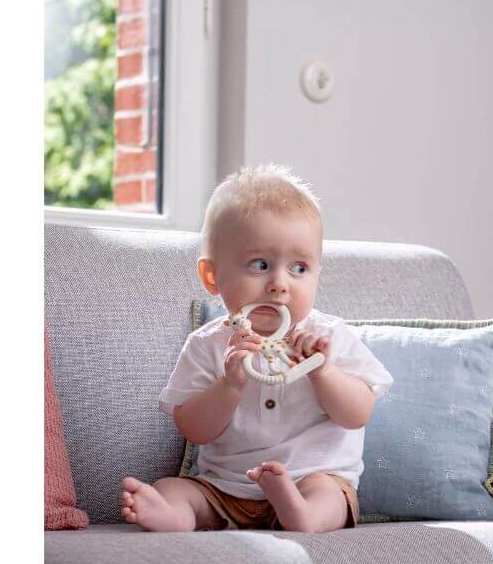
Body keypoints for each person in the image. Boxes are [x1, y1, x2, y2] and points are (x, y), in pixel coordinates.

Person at [120, 165, 393, 532]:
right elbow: (194, 429)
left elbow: (358, 414)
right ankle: (175, 515)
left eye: (299, 268)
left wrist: (323, 371)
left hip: (312, 479)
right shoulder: (208, 344)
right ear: (212, 277)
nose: (279, 284)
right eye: (260, 265)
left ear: (317, 274)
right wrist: (229, 385)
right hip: (225, 488)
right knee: (176, 488)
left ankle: (302, 514)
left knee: (330, 495)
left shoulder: (329, 337)